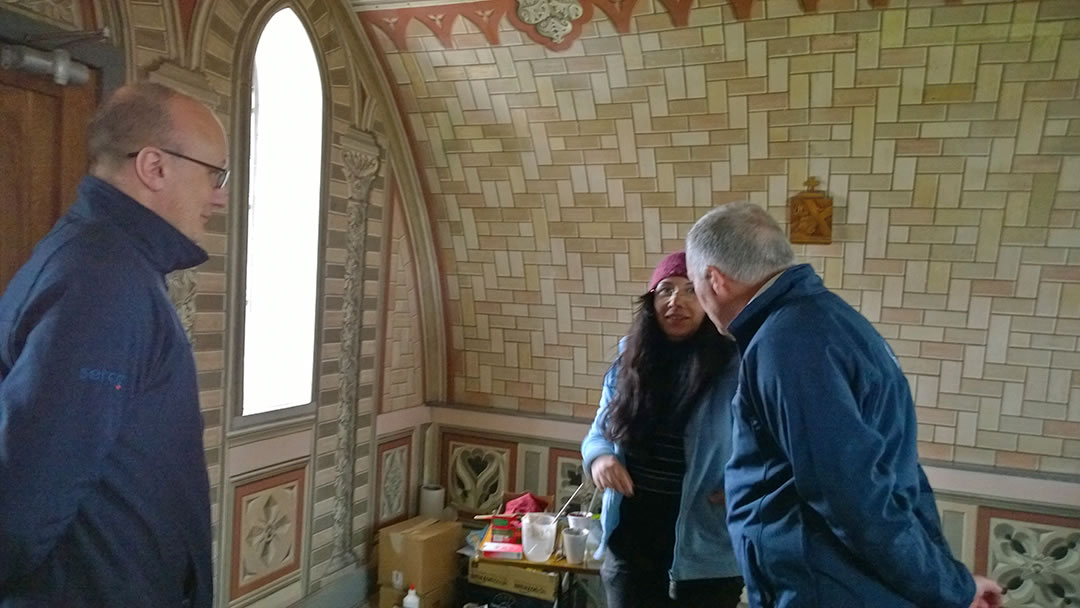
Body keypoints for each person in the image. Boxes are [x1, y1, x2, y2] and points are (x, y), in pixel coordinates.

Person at [685, 202, 1003, 608]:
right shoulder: (832, 321)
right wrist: (948, 582)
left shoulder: (787, 342)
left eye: (694, 285)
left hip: (825, 588)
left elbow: (852, 496)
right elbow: (900, 475)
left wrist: (951, 588)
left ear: (714, 280)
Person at [0, 82, 228, 607]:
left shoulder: (110, 262)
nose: (219, 195)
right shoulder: (103, 280)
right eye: (215, 173)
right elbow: (27, 499)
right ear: (155, 166)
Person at [581, 251, 744, 608]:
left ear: (709, 299)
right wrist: (600, 459)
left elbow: (774, 442)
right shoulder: (631, 360)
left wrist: (750, 484)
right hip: (632, 541)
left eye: (690, 290)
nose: (676, 301)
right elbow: (599, 431)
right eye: (665, 290)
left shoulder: (737, 366)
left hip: (705, 549)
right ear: (650, 302)